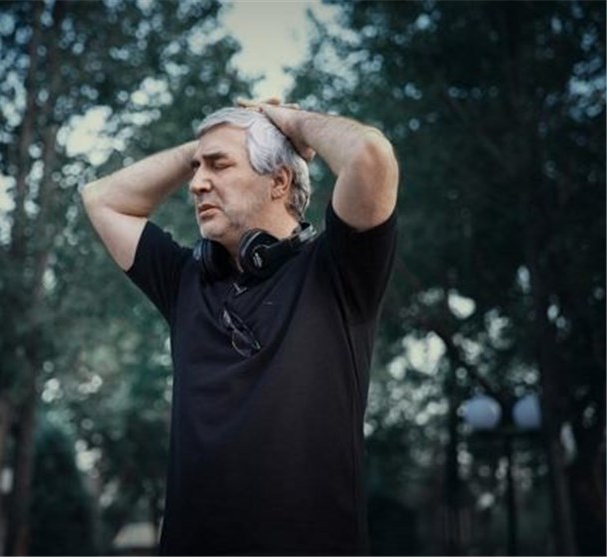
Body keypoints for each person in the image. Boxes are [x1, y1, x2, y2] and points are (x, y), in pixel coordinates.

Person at [82, 98, 399, 556]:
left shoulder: (336, 271)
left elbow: (371, 155)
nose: (196, 183)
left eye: (219, 165)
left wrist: (290, 123)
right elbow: (102, 199)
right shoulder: (185, 281)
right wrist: (207, 145)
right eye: (197, 168)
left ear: (280, 181)